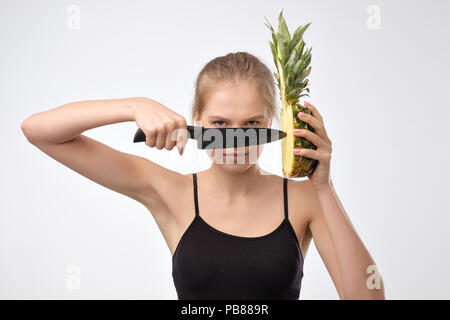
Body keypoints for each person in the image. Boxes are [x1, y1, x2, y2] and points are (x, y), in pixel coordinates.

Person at [21, 52, 385, 300]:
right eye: (220, 123)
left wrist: (324, 187)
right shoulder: (170, 191)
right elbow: (39, 131)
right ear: (197, 119)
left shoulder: (305, 199)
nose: (236, 137)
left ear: (274, 123)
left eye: (253, 124)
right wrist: (133, 106)